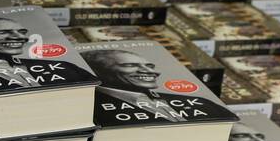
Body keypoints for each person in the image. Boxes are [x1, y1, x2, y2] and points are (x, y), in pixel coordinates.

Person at [83, 48, 228, 123]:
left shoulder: (202, 104)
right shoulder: (86, 110)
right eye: (129, 65)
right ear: (98, 70)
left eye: (150, 66)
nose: (151, 72)